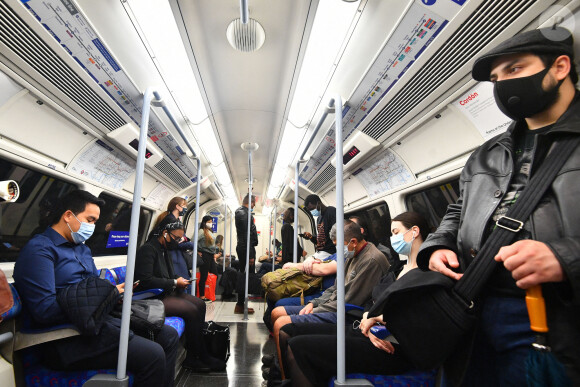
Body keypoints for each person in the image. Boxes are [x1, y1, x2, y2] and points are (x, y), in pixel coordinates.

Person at [418, 27, 580, 385]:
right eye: (495, 78)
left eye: (514, 70)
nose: (502, 85)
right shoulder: (487, 154)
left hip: (553, 316)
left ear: (560, 67)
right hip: (474, 305)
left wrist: (565, 257)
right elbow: (458, 211)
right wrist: (436, 246)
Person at [13, 190, 179, 387]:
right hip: (64, 338)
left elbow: (92, 286)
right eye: (89, 220)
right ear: (68, 215)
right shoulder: (40, 251)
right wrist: (104, 295)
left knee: (168, 336)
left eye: (95, 222)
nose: (92, 227)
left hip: (96, 322)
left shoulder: (82, 249)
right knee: (152, 355)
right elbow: (44, 310)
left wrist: (113, 294)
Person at [282, 212, 430, 386]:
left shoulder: (426, 273)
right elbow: (372, 300)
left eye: (396, 233)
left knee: (298, 346)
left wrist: (375, 319)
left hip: (389, 344)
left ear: (414, 231)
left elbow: (416, 319)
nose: (392, 238)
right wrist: (369, 317)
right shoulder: (399, 269)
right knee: (291, 333)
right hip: (368, 329)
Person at [271, 220, 390, 378]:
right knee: (276, 313)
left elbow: (349, 300)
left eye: (338, 245)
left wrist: (316, 310)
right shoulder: (352, 254)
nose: (337, 249)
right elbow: (335, 288)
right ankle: (280, 369)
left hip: (349, 313)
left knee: (281, 323)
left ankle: (284, 377)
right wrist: (314, 303)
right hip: (335, 305)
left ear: (353, 242)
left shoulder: (371, 261)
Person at [134, 220, 226, 372]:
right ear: (165, 233)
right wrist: (174, 282)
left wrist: (178, 279)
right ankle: (197, 356)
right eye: (176, 238)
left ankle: (195, 353)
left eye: (180, 239)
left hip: (164, 292)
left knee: (200, 304)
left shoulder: (164, 250)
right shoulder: (148, 250)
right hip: (151, 297)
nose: (177, 242)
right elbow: (145, 280)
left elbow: (169, 274)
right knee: (190, 310)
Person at [234, 193, 259, 314]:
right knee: (245, 277)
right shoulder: (243, 213)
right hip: (246, 249)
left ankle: (241, 305)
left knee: (246, 276)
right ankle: (239, 305)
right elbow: (246, 235)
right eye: (254, 204)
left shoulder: (243, 212)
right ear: (252, 202)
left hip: (245, 248)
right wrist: (250, 255)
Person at [302, 195, 336, 259]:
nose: (312, 212)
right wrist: (311, 237)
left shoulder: (331, 211)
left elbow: (337, 233)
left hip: (330, 251)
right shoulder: (318, 219)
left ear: (319, 203)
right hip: (321, 251)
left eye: (312, 209)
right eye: (310, 210)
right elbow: (321, 239)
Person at [197, 215, 220, 302]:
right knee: (203, 276)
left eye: (211, 222)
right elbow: (193, 240)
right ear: (204, 222)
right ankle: (202, 296)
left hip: (210, 255)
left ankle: (210, 294)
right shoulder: (201, 231)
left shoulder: (209, 231)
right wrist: (197, 251)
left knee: (215, 273)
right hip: (204, 254)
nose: (211, 224)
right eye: (209, 222)